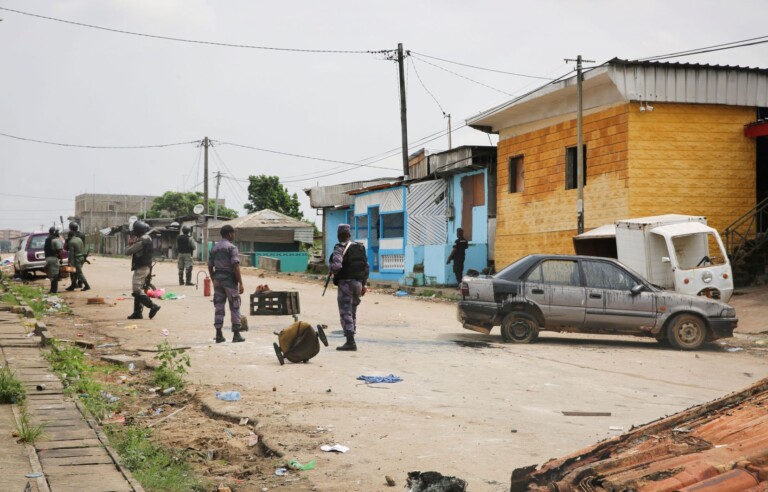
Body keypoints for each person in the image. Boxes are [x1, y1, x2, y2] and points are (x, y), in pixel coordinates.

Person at [329, 223, 369, 351]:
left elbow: (336, 266)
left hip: (346, 283)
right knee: (353, 311)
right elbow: (366, 267)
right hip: (358, 283)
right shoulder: (360, 247)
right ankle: (351, 338)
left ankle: (350, 341)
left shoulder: (339, 248)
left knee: (345, 312)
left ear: (338, 235)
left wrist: (331, 269)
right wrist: (364, 284)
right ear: (349, 234)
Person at [208, 225, 245, 343]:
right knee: (235, 306)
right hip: (229, 280)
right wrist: (241, 283)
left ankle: (219, 334)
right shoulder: (232, 248)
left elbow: (210, 265)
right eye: (233, 233)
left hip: (218, 279)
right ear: (229, 234)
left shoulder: (214, 248)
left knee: (219, 306)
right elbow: (236, 266)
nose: (234, 235)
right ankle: (236, 334)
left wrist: (214, 278)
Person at [125, 221, 161, 320]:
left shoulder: (142, 241)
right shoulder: (146, 238)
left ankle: (153, 306)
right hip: (145, 266)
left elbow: (127, 252)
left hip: (142, 267)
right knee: (139, 289)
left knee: (136, 290)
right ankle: (137, 312)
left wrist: (129, 244)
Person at [65, 227, 91, 292]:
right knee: (75, 272)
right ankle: (73, 285)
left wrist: (70, 262)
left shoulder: (71, 242)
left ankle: (87, 285)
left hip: (76, 259)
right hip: (82, 257)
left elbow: (71, 253)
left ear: (69, 236)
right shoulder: (79, 239)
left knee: (78, 272)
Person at [44, 227, 64, 294]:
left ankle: (52, 290)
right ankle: (54, 290)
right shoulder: (55, 240)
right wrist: (61, 259)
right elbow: (59, 251)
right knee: (55, 275)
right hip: (54, 258)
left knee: (51, 275)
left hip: (48, 258)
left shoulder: (47, 239)